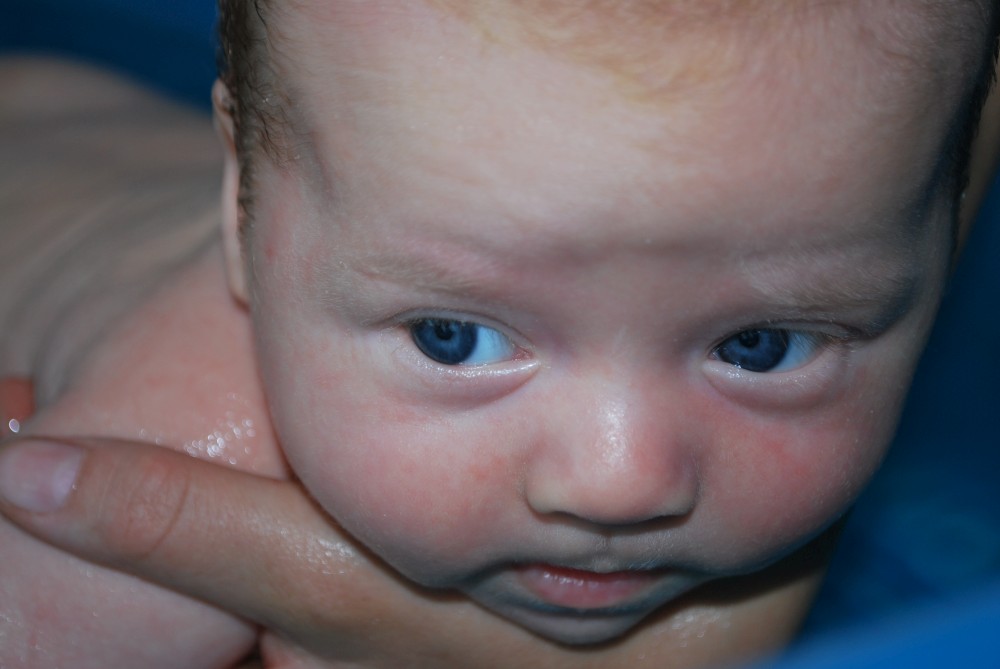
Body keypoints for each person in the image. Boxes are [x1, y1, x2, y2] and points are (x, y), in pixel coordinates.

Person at [1, 1, 999, 667]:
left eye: (758, 347)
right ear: (244, 227)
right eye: (452, 338)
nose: (618, 481)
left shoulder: (410, 245)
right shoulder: (163, 487)